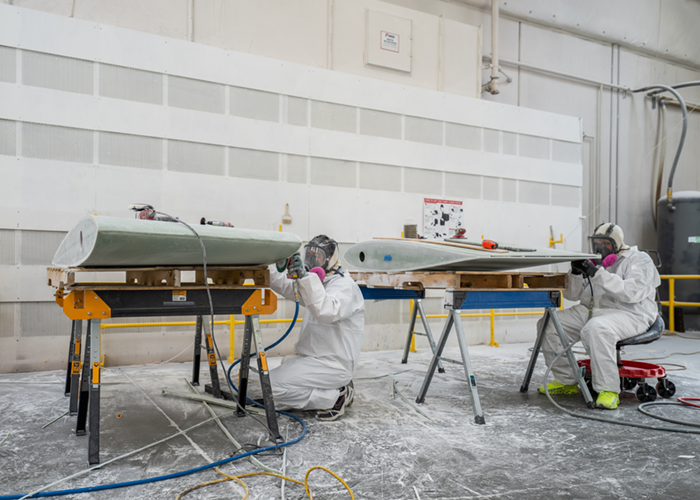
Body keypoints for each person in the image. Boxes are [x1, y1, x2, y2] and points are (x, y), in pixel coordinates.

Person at [537, 223, 661, 410]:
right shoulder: (595, 262)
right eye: (597, 242)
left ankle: (608, 390)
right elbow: (572, 295)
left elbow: (632, 293)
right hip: (592, 310)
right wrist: (577, 273)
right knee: (549, 324)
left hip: (630, 313)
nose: (600, 247)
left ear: (618, 243)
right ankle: (566, 381)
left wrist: (597, 273)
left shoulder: (639, 260)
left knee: (596, 328)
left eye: (606, 243)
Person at [267, 234, 365, 421]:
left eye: (317, 256)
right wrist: (265, 264)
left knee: (270, 386)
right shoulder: (319, 282)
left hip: (334, 364)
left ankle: (334, 397)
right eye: (308, 255)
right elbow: (284, 285)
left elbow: (325, 310)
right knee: (285, 366)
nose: (311, 260)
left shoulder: (344, 286)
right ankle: (335, 388)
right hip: (315, 359)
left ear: (329, 259)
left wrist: (305, 278)